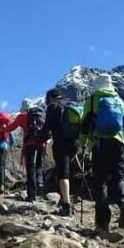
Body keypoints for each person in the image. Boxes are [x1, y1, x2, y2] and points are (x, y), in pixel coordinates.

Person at [80, 74, 124, 232]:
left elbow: (85, 124)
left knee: (100, 181)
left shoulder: (92, 100)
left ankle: (103, 221)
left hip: (100, 144)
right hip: (118, 143)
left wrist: (83, 143)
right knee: (119, 177)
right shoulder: (120, 101)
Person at [40, 88, 77, 216]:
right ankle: (64, 199)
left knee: (63, 174)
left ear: (50, 97)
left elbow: (47, 127)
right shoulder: (69, 105)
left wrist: (40, 137)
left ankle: (66, 206)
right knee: (65, 172)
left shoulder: (52, 107)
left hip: (61, 144)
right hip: (74, 144)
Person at [6, 99, 46, 201]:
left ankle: (31, 194)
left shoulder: (22, 117)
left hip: (29, 144)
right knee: (39, 166)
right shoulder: (40, 115)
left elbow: (11, 128)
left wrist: (2, 129)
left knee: (30, 168)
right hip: (41, 144)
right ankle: (40, 185)